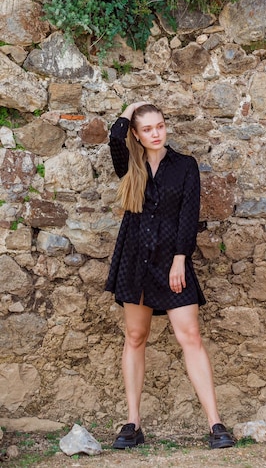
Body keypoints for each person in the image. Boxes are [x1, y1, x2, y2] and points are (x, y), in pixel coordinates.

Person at [105, 102, 235, 451]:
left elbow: (188, 216)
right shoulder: (130, 164)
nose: (156, 133)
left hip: (171, 260)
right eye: (147, 129)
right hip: (135, 258)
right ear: (137, 133)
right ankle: (133, 423)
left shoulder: (185, 166)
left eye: (160, 126)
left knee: (190, 334)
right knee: (135, 336)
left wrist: (180, 259)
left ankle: (215, 424)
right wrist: (130, 110)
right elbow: (115, 137)